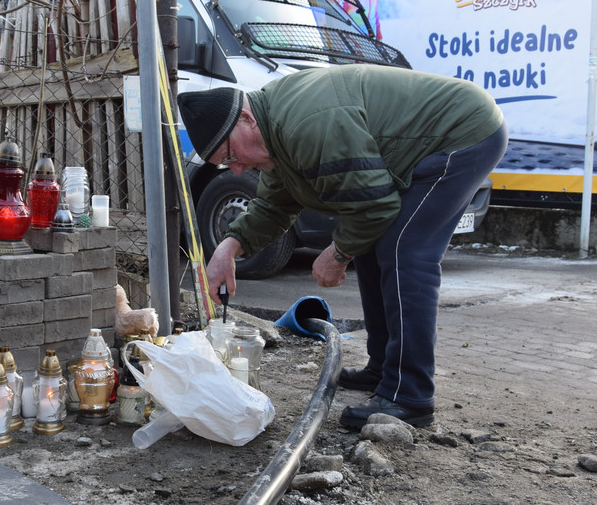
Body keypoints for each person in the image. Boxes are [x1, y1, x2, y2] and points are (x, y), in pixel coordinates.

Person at [178, 65, 507, 429]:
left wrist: (337, 254)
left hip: (461, 131)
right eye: (224, 165)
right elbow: (274, 206)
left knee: (405, 251)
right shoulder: (274, 128)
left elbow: (375, 207)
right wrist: (229, 247)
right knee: (374, 243)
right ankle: (383, 369)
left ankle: (410, 395)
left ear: (245, 119)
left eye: (230, 156)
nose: (235, 171)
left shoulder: (308, 125)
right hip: (432, 139)